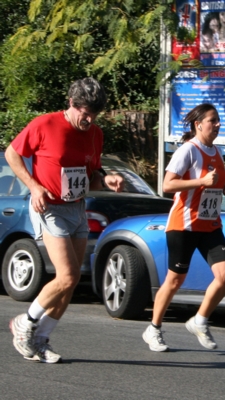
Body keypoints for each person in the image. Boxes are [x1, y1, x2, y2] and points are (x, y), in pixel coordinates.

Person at [7, 77, 124, 363]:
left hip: (76, 207)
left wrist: (106, 178)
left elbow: (93, 172)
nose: (89, 119)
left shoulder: (95, 134)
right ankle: (25, 322)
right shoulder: (45, 124)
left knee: (70, 282)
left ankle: (40, 340)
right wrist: (34, 186)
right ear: (71, 103)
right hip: (49, 207)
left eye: (94, 114)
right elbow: (12, 154)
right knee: (67, 275)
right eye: (85, 112)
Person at [142, 103, 225, 352]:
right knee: (174, 280)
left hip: (210, 225)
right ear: (198, 124)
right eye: (212, 120)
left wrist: (221, 188)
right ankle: (154, 328)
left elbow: (211, 185)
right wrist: (201, 181)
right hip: (184, 225)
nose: (217, 125)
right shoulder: (188, 151)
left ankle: (199, 320)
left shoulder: (217, 151)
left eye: (218, 121)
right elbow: (167, 185)